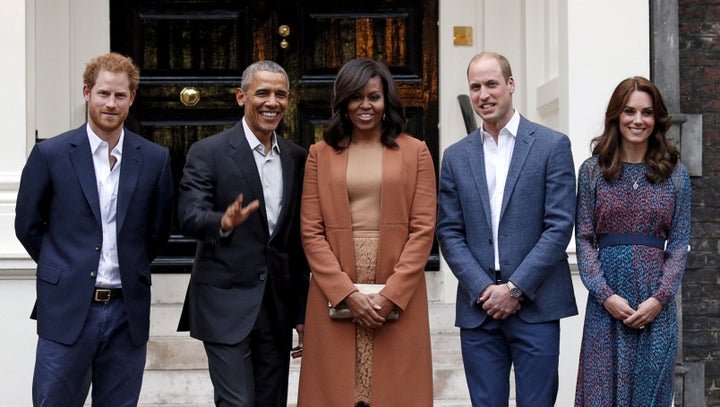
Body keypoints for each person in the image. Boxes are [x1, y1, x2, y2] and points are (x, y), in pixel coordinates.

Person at [15, 52, 174, 406]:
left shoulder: (154, 158)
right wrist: (63, 266)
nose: (111, 103)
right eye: (103, 93)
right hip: (68, 308)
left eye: (120, 95)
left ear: (132, 99)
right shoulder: (51, 154)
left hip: (125, 312)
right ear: (87, 92)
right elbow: (27, 225)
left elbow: (158, 230)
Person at [435, 51, 578, 407]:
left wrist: (514, 289)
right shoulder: (455, 156)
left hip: (536, 303)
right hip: (478, 307)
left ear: (511, 85)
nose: (483, 94)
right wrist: (485, 289)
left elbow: (559, 226)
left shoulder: (551, 145)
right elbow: (449, 231)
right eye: (475, 87)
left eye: (492, 84)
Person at [297, 58, 436, 407]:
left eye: (373, 96)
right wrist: (346, 293)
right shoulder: (320, 154)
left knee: (397, 391)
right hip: (336, 282)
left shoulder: (415, 151)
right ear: (342, 101)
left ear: (386, 99)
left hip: (397, 281)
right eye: (355, 97)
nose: (365, 106)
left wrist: (391, 294)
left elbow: (423, 230)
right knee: (334, 391)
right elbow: (311, 231)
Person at [176, 60, 309, 407]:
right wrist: (223, 221)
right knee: (236, 403)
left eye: (281, 94)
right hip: (224, 303)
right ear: (241, 96)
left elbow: (295, 245)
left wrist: (301, 314)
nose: (272, 102)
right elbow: (189, 216)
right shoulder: (209, 152)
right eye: (262, 92)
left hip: (276, 307)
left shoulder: (297, 157)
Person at [574, 76, 691, 406]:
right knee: (601, 395)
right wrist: (605, 295)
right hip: (606, 308)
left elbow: (680, 243)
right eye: (629, 111)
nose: (638, 120)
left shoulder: (675, 173)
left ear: (657, 119)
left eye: (647, 112)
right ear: (616, 116)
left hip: (655, 308)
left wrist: (659, 298)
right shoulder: (593, 171)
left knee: (649, 395)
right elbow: (583, 238)